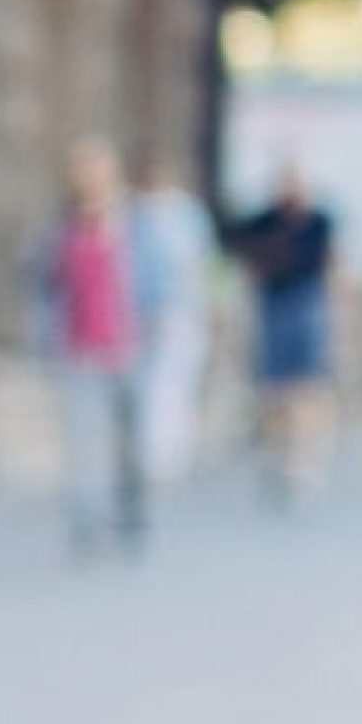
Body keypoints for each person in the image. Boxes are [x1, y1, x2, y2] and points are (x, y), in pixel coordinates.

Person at [32, 142, 173, 560]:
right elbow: (44, 283)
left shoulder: (136, 224)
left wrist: (155, 328)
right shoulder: (61, 228)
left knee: (128, 440)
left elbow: (158, 279)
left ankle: (131, 514)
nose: (91, 180)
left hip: (127, 346)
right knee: (84, 439)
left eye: (98, 172)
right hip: (79, 347)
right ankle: (87, 521)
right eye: (84, 172)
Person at [227, 162, 340, 507]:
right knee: (274, 391)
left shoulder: (319, 222)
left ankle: (304, 460)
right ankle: (278, 456)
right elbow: (245, 255)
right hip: (273, 307)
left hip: (306, 307)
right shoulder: (263, 221)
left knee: (307, 390)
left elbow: (329, 264)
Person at [130, 157, 222, 482]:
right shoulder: (131, 215)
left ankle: (169, 452)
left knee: (173, 383)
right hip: (138, 311)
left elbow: (204, 263)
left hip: (180, 309)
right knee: (145, 384)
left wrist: (212, 305)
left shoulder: (186, 216)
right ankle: (146, 450)